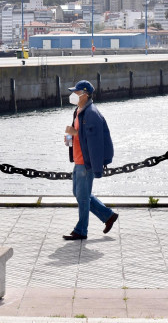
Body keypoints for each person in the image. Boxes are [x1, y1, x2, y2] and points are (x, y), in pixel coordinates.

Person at [63, 80, 118, 240]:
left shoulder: (92, 115)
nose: (73, 95)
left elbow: (95, 143)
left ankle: (81, 230)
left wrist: (96, 167)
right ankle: (108, 216)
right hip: (78, 159)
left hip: (85, 162)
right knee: (79, 193)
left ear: (85, 95)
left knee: (82, 197)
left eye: (76, 92)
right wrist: (69, 135)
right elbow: (78, 134)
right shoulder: (78, 111)